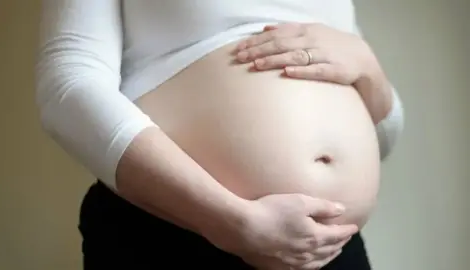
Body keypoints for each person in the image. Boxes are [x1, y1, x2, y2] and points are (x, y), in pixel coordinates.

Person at [35, 1, 404, 269]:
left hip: (331, 248)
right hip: (176, 234)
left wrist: (368, 67)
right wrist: (231, 222)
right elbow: (67, 88)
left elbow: (385, 136)